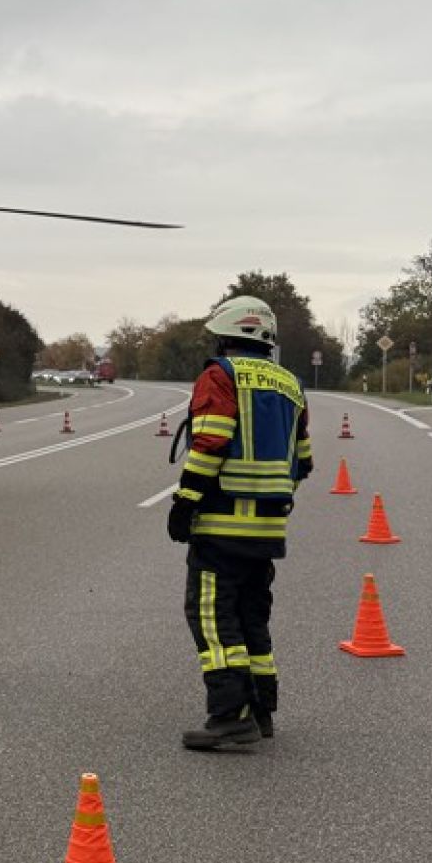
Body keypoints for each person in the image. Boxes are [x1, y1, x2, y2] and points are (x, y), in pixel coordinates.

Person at [167, 296, 313, 750]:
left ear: (226, 337)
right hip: (268, 530)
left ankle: (230, 714)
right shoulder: (290, 383)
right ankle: (262, 710)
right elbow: (303, 461)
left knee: (211, 616)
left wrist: (184, 502)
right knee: (252, 618)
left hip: (221, 524)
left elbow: (210, 443)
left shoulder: (221, 375)